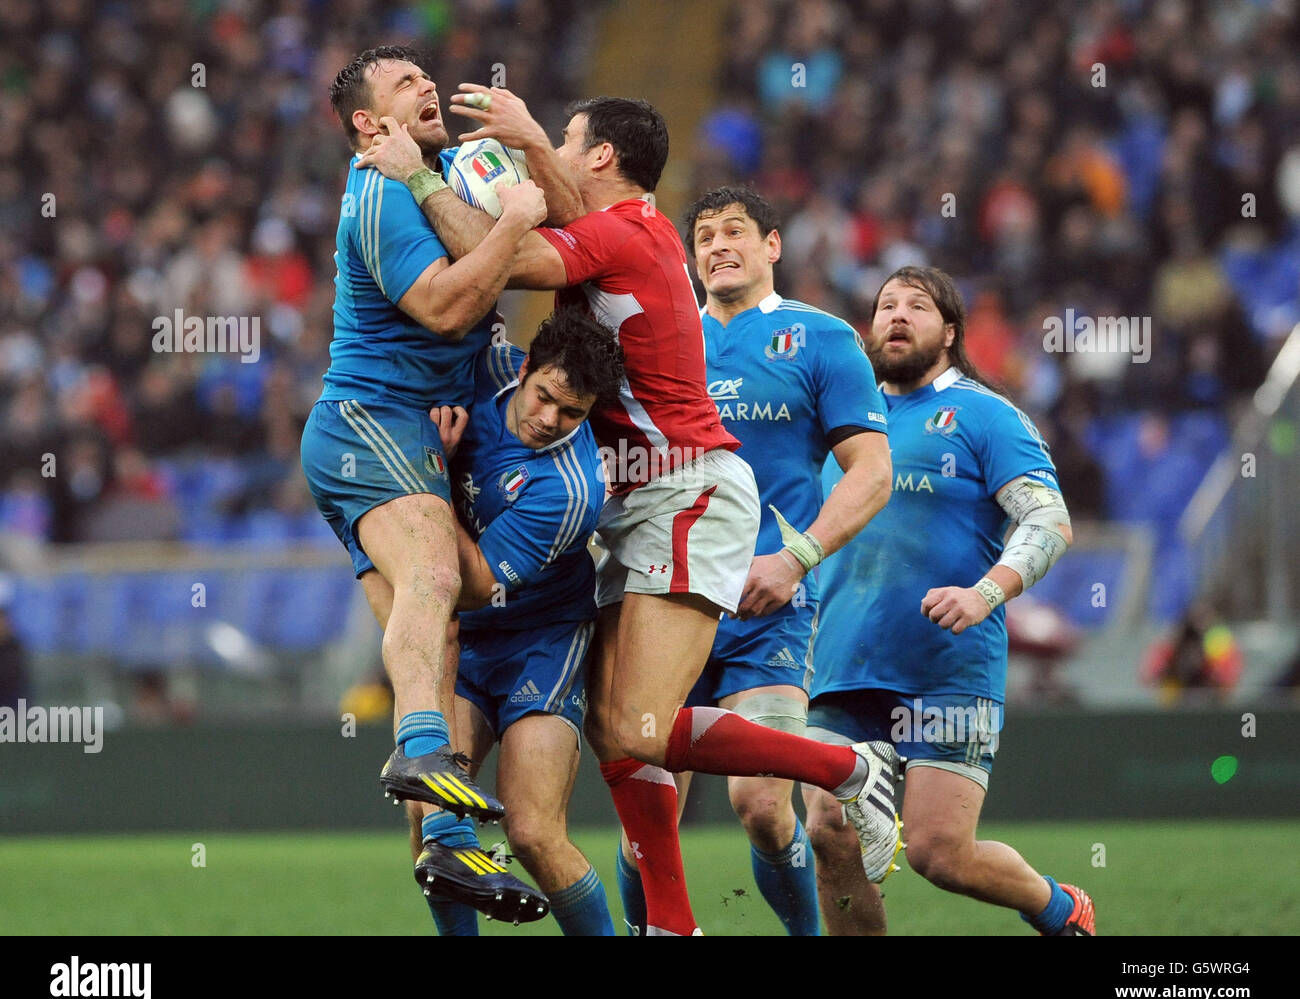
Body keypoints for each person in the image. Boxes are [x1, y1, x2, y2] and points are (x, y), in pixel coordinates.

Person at [357, 90, 901, 937]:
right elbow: (559, 219)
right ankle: (673, 926)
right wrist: (536, 143)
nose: (555, 161)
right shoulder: (613, 235)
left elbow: (500, 260)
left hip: (685, 488)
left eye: (569, 144)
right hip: (638, 503)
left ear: (602, 155)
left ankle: (844, 767)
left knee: (634, 726)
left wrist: (419, 183)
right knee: (620, 738)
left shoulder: (631, 231)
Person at [302, 46, 558, 913]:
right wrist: (514, 223)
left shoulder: (438, 176)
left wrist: (529, 170)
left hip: (404, 431)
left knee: (435, 644)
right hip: (369, 419)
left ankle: (447, 845)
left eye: (424, 76)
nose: (427, 87)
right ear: (368, 126)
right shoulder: (377, 188)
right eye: (404, 83)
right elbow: (449, 305)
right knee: (439, 577)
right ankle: (415, 751)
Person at [612, 186, 892, 936]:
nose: (717, 246)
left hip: (769, 602)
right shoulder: (658, 338)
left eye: (736, 231)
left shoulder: (823, 339)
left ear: (774, 245)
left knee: (762, 808)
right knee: (646, 808)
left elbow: (872, 471)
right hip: (666, 593)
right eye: (703, 235)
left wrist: (795, 560)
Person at [801, 266, 1096, 936]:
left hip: (946, 667)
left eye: (917, 305)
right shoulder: (844, 428)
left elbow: (1049, 522)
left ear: (951, 331)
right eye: (885, 305)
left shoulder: (988, 415)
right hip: (842, 662)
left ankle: (1059, 907)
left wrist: (986, 593)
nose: (897, 315)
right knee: (828, 829)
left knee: (939, 854)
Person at [409, 306, 624, 935]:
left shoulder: (570, 489)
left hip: (541, 641)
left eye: (573, 414)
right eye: (546, 398)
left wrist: (434, 477)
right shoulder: (486, 367)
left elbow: (476, 585)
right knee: (431, 815)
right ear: (525, 368)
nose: (550, 421)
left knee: (531, 831)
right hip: (462, 643)